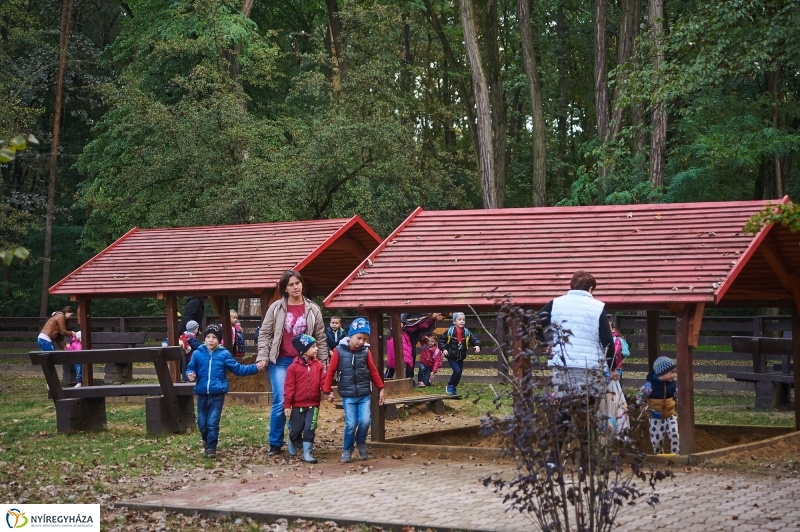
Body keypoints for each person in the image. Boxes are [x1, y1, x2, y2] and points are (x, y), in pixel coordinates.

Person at [256, 269, 329, 456]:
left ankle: (295, 438)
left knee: (300, 402)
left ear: (302, 284)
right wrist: (263, 356)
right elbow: (264, 333)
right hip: (281, 360)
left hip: (305, 362)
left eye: (297, 283)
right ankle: (275, 442)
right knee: (281, 400)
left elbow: (320, 338)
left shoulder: (313, 309)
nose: (295, 287)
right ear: (285, 288)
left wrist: (323, 365)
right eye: (291, 284)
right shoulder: (276, 307)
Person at [187, 323, 266, 459]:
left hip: (217, 394)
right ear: (204, 338)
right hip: (201, 394)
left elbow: (239, 369)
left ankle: (211, 448)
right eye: (208, 337)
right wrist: (190, 374)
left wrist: (255, 367)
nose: (211, 340)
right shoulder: (197, 354)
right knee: (202, 423)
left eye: (214, 337)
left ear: (219, 340)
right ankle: (206, 440)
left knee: (212, 422)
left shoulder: (224, 354)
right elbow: (189, 368)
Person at [538, 271, 614, 398]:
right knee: (588, 408)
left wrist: (544, 344)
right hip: (590, 366)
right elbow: (607, 339)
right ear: (590, 288)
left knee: (564, 407)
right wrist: (613, 367)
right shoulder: (597, 307)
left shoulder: (556, 303)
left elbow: (534, 323)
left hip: (561, 364)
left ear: (571, 286)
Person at [323, 318, 385, 463]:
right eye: (359, 338)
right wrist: (327, 391)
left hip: (364, 394)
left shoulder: (365, 352)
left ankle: (361, 441)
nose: (361, 342)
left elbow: (373, 371)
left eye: (365, 339)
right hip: (348, 395)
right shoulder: (338, 351)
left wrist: (381, 388)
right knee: (351, 424)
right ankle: (347, 448)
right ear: (350, 336)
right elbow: (331, 371)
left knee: (364, 421)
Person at [284, 334, 325, 464]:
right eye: (313, 347)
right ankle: (292, 438)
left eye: (316, 346)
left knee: (309, 428)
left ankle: (307, 453)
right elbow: (289, 387)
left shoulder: (319, 365)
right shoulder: (293, 368)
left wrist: (327, 392)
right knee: (296, 428)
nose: (317, 349)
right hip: (297, 405)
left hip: (313, 404)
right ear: (303, 351)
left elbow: (323, 382)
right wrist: (287, 405)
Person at [641, 356, 679, 455]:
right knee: (657, 440)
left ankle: (676, 454)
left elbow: (676, 396)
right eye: (672, 372)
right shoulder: (650, 385)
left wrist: (677, 405)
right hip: (655, 417)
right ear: (662, 373)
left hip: (670, 415)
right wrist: (642, 407)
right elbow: (640, 396)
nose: (674, 375)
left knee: (674, 434)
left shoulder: (672, 385)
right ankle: (658, 455)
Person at [439, 312, 481, 396]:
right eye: (459, 320)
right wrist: (444, 349)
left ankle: (453, 387)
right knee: (457, 371)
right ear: (454, 322)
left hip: (461, 356)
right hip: (451, 356)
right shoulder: (450, 332)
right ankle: (450, 385)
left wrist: (477, 345)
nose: (462, 321)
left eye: (463, 320)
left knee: (459, 373)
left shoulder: (466, 332)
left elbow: (474, 339)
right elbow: (441, 341)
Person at [38, 306, 76, 383]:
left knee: (49, 361)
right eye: (70, 315)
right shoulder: (61, 316)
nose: (70, 317)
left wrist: (64, 347)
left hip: (43, 339)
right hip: (45, 339)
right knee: (50, 362)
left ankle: (50, 382)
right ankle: (51, 382)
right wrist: (72, 333)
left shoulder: (56, 316)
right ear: (67, 312)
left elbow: (57, 338)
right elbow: (63, 331)